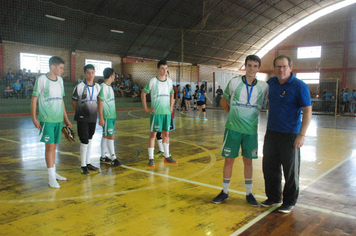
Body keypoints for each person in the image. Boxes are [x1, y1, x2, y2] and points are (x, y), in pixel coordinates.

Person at [212, 55, 268, 207]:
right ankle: (224, 191)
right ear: (245, 66)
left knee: (248, 161)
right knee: (229, 160)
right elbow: (224, 101)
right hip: (233, 129)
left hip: (251, 131)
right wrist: (232, 114)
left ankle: (249, 193)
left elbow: (270, 103)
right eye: (249, 65)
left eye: (255, 66)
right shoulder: (235, 82)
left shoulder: (264, 87)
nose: (252, 68)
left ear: (258, 69)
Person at [262, 55, 312, 214]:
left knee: (290, 171)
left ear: (291, 68)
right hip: (271, 133)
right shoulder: (271, 83)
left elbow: (307, 110)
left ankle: (289, 202)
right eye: (278, 67)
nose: (281, 70)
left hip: (290, 135)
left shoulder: (299, 86)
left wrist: (302, 135)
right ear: (274, 68)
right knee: (269, 167)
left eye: (284, 66)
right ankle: (273, 197)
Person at [31, 56, 72, 189]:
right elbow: (34, 99)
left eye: (63, 68)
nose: (62, 70)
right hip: (47, 119)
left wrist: (66, 118)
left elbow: (61, 100)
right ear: (52, 66)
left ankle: (53, 172)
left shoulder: (60, 81)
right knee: (49, 147)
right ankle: (51, 178)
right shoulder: (42, 79)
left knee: (54, 147)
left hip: (58, 119)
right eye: (60, 68)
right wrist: (34, 118)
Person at [141, 60, 177, 167]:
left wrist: (171, 106)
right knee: (153, 134)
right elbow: (143, 94)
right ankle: (151, 158)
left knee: (166, 134)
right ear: (157, 69)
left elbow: (172, 94)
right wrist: (146, 109)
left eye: (166, 68)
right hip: (156, 113)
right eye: (162, 68)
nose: (164, 70)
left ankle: (167, 156)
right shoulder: (153, 81)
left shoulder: (169, 81)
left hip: (166, 113)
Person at [72, 64, 101, 175]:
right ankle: (83, 165)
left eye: (92, 72)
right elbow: (73, 101)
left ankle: (88, 162)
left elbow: (99, 102)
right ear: (84, 73)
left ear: (94, 73)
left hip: (92, 118)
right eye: (88, 72)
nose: (90, 75)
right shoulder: (79, 87)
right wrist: (79, 112)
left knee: (90, 138)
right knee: (84, 139)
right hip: (82, 118)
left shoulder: (98, 87)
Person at [98, 68, 122, 166]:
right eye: (114, 75)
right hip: (107, 116)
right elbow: (100, 102)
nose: (115, 77)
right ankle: (113, 157)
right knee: (111, 136)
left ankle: (103, 156)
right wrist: (101, 117)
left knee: (105, 135)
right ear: (111, 75)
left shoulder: (109, 87)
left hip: (112, 116)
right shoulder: (103, 87)